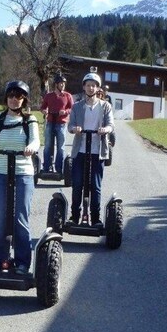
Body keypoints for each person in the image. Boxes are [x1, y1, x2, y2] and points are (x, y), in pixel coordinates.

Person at [0, 80, 40, 274]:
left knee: (20, 219)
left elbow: (35, 140)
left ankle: (23, 263)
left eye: (18, 96)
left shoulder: (30, 120)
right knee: (0, 218)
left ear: (24, 100)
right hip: (0, 172)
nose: (14, 100)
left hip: (23, 173)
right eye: (11, 96)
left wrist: (31, 148)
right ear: (6, 98)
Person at [67, 71, 114, 226]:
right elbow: (70, 126)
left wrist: (105, 129)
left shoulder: (105, 106)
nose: (91, 88)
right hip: (80, 150)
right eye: (88, 85)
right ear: (84, 87)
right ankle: (74, 216)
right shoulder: (77, 106)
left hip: (97, 151)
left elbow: (110, 124)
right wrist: (75, 129)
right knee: (77, 184)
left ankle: (95, 218)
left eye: (93, 86)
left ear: (97, 88)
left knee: (95, 186)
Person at [40, 74, 73, 173]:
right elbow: (42, 107)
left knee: (60, 147)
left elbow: (72, 108)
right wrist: (44, 111)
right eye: (60, 84)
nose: (62, 85)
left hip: (61, 124)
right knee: (47, 146)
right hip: (50, 122)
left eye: (63, 84)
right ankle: (46, 167)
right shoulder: (49, 95)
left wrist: (65, 112)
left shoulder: (67, 96)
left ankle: (59, 169)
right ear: (56, 84)